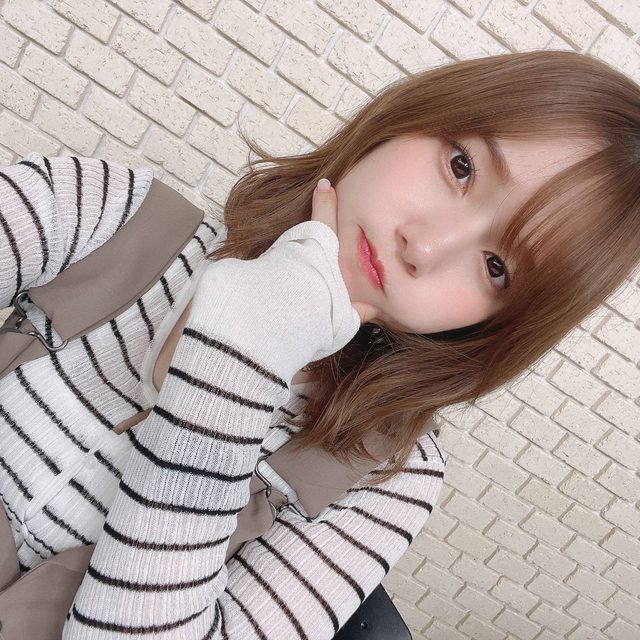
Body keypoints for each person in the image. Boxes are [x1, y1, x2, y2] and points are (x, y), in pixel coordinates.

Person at [0, 48, 638, 639]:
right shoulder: (107, 210)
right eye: (461, 167)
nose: (425, 245)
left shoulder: (389, 478)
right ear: (409, 119)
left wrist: (230, 375)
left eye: (497, 267)